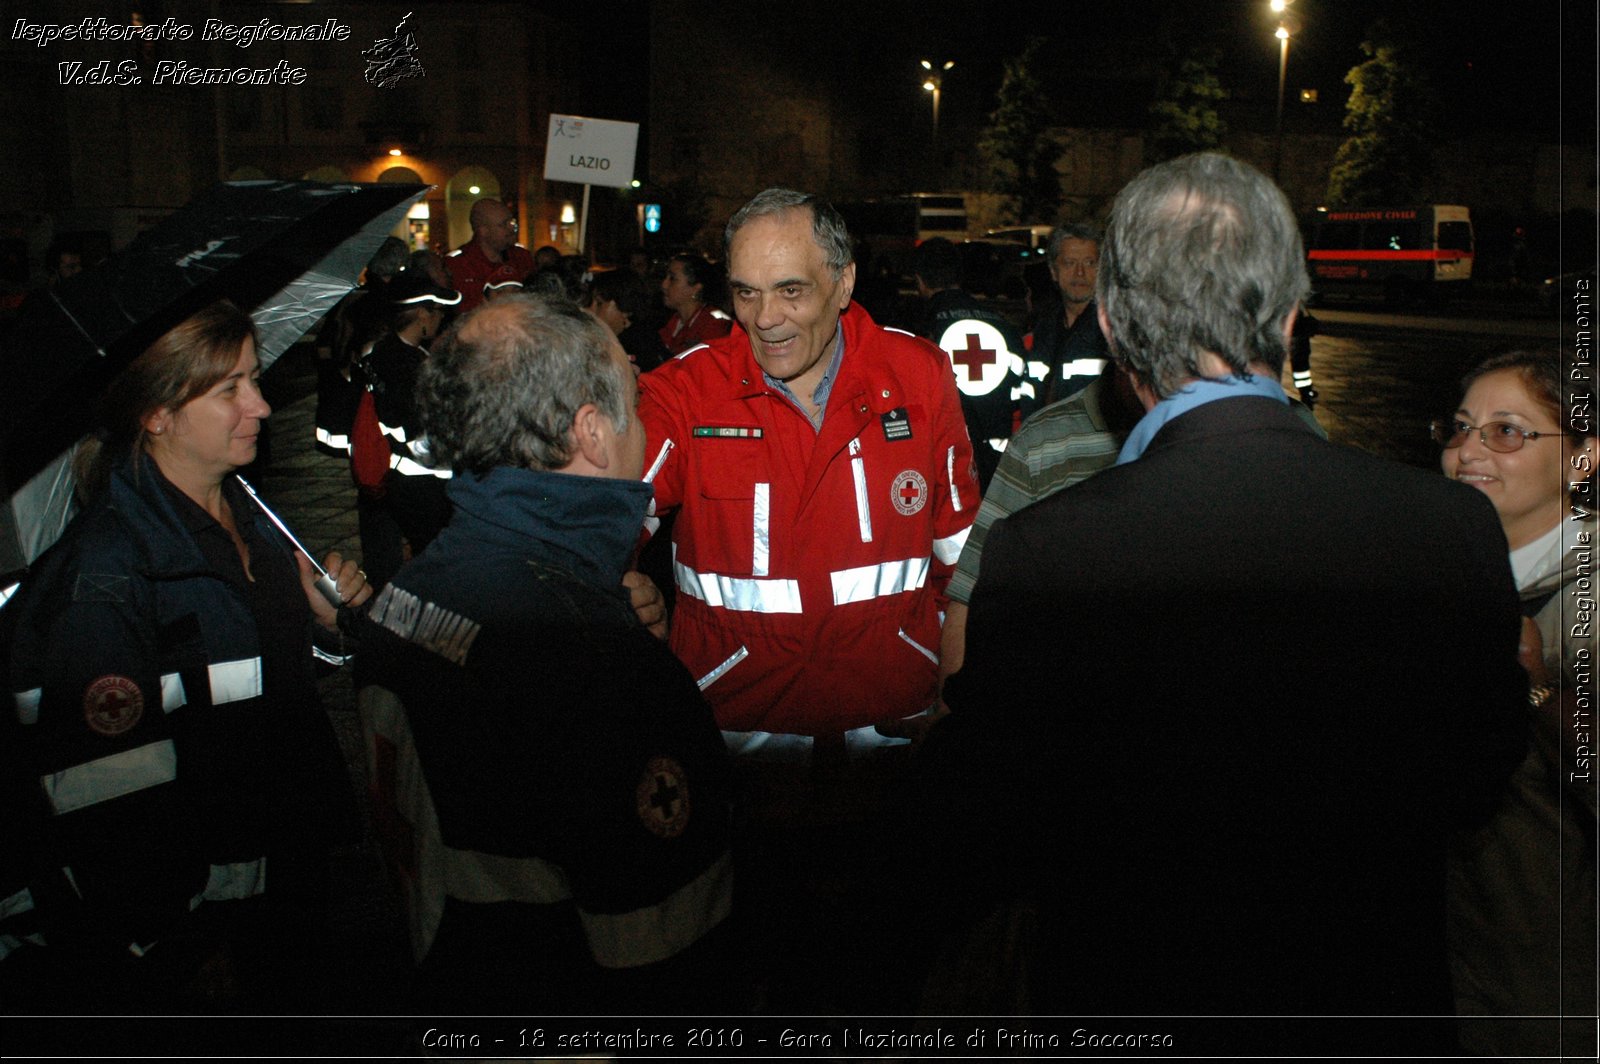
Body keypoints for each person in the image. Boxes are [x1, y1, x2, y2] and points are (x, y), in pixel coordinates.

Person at [916, 153, 1527, 1043]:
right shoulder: (1450, 531)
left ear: (1116, 332)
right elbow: (1476, 788)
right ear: (1287, 317)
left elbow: (994, 822)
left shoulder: (1048, 556)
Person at [355, 294, 734, 1014]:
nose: (645, 418)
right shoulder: (603, 672)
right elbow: (672, 971)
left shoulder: (403, 594)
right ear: (593, 432)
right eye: (632, 394)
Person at [0, 302, 371, 1011]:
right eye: (230, 388)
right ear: (156, 415)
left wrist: (324, 629)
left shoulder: (248, 517)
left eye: (255, 378)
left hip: (285, 867)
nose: (261, 405)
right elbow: (104, 800)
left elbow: (257, 684)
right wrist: (172, 942)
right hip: (208, 920)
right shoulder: (104, 585)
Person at [639, 187, 978, 753]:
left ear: (843, 283)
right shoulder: (686, 391)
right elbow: (600, 513)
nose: (765, 319)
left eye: (790, 291)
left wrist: (956, 696)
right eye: (746, 293)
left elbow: (963, 560)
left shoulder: (919, 376)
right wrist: (616, 579)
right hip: (734, 738)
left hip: (895, 730)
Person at [1436, 350, 1597, 1061]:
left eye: (1506, 432)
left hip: (1555, 979)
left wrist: (1533, 685)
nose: (1468, 451)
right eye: (1461, 428)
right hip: (1456, 956)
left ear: (1582, 460)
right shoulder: (1440, 574)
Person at [358, 270, 461, 590]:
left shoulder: (380, 352)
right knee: (433, 559)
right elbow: (422, 431)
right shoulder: (410, 365)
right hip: (422, 482)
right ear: (421, 314)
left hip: (400, 476)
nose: (441, 319)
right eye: (437, 312)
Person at [912, 236, 1029, 491]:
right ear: (959, 276)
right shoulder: (1002, 325)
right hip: (1001, 469)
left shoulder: (921, 331)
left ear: (920, 281)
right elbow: (1023, 388)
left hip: (949, 470)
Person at [1019, 222, 1112, 413]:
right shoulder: (1043, 330)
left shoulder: (1113, 332)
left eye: (1089, 263)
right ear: (1054, 271)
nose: (1080, 273)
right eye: (1070, 263)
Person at [446, 199, 533, 313]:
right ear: (483, 231)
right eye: (503, 225)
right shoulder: (458, 264)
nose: (512, 229)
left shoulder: (522, 257)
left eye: (512, 222)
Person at [657, 251, 731, 356]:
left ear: (695, 288)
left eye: (673, 279)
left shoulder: (713, 327)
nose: (664, 285)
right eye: (666, 277)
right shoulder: (671, 322)